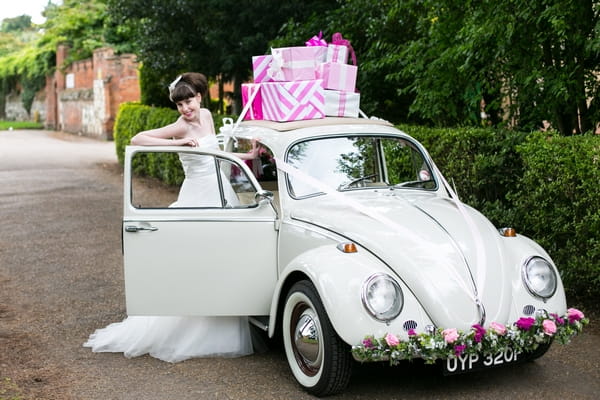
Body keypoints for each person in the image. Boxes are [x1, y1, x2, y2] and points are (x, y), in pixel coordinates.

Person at [84, 72, 257, 362]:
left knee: (225, 257)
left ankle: (225, 318)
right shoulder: (180, 126)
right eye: (180, 104)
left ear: (199, 97)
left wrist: (248, 156)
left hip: (221, 193)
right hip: (197, 197)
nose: (186, 109)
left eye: (189, 101)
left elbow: (218, 152)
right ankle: (193, 326)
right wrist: (176, 144)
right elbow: (138, 138)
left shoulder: (206, 115)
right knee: (197, 260)